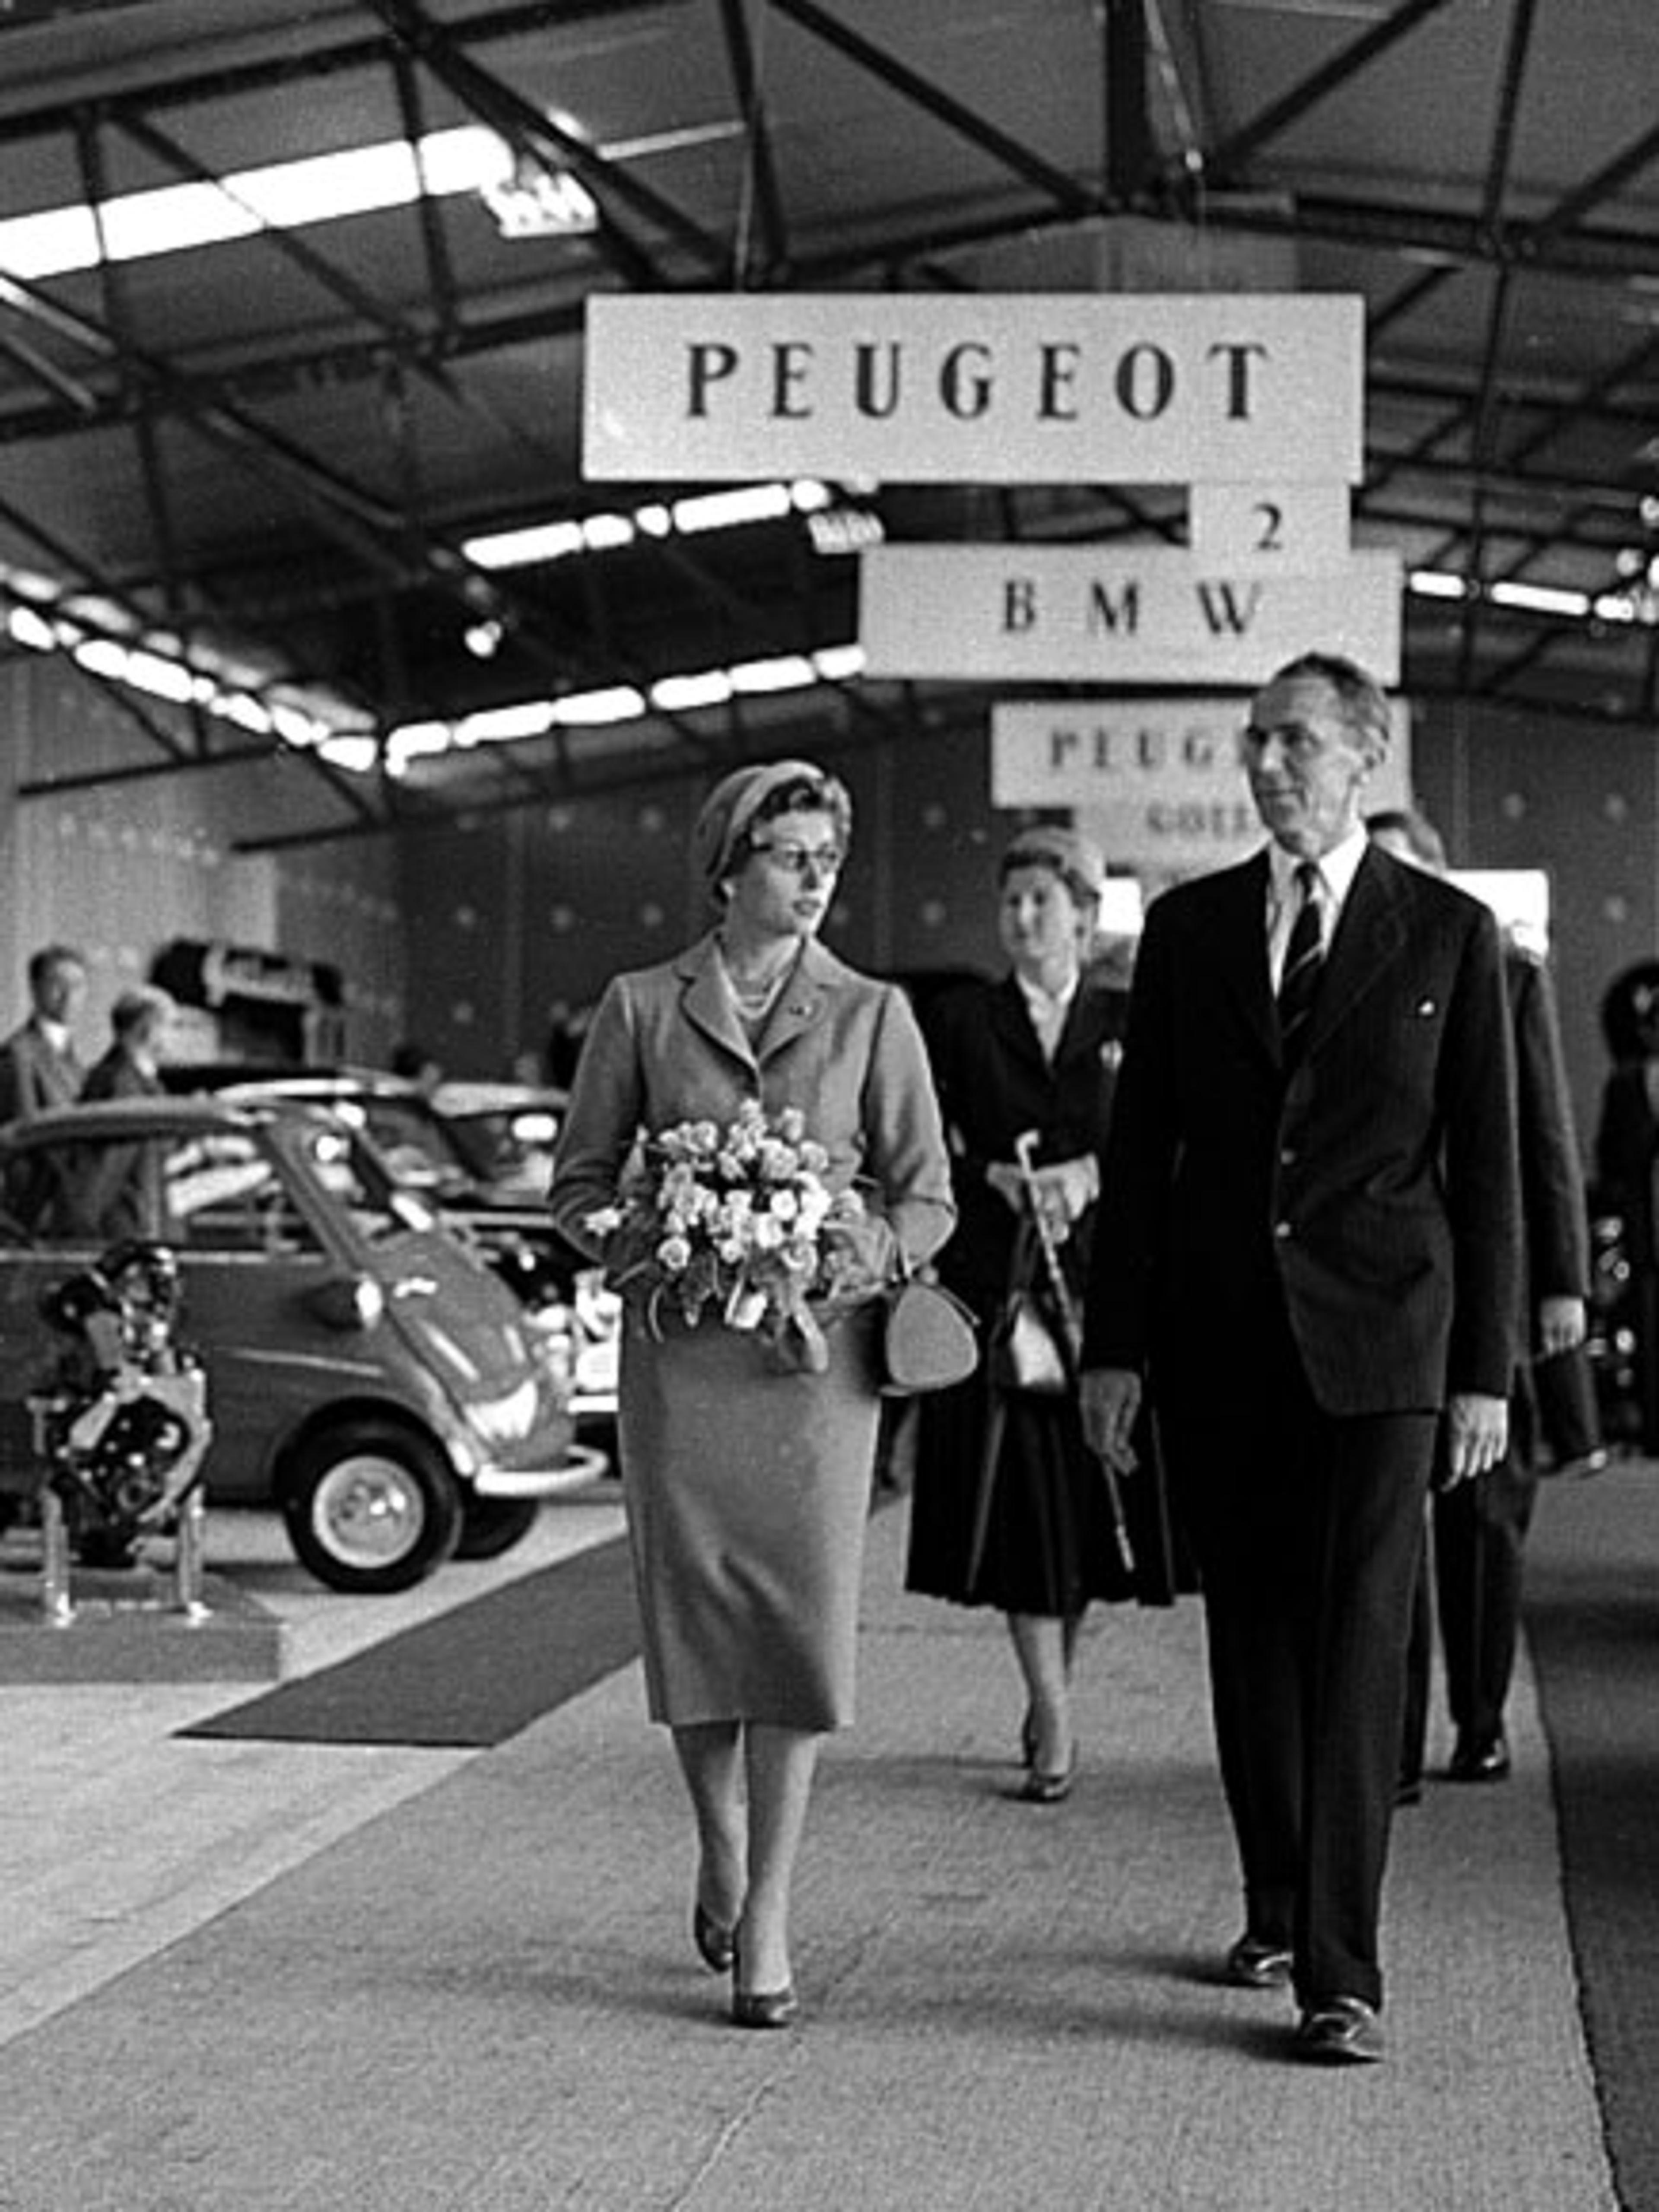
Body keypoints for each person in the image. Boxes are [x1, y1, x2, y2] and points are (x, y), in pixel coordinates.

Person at [1080, 652, 1521, 2068]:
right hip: (1223, 1338)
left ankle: (1343, 1968)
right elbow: (1141, 1156)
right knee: (1253, 1632)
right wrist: (1114, 1350)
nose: (1269, 764)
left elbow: (1490, 1166)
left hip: (1389, 1346)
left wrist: (1486, 1372)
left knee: (1362, 1638)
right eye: (1256, 741)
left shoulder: (1449, 935)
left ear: (1364, 754)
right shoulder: (1190, 928)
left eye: (1298, 742)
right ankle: (1273, 1898)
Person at [547, 758, 955, 2030]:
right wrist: (660, 1236)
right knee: (696, 1617)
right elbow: (577, 1184)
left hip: (813, 1373)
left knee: (796, 1628)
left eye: (828, 856)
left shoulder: (874, 1012)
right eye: (791, 854)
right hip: (681, 1363)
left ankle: (769, 1901)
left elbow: (927, 1194)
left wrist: (847, 1250)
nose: (816, 876)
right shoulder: (639, 1006)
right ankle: (717, 1834)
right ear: (728, 868)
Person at [904, 825, 1178, 1804]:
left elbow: (1170, 1138)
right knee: (1022, 1511)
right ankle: (1054, 1711)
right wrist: (994, 1177)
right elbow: (922, 1142)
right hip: (1000, 1294)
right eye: (1011, 901)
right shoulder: (960, 1019)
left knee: (1085, 1512)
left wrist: (1091, 1173)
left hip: (1110, 1294)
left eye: (1042, 902)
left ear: (1085, 916)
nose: (1023, 918)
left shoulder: (1130, 1018)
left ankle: (1050, 1681)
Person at [1367, 806, 1600, 1797]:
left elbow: (1544, 1132)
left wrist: (1562, 1281)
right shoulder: (1338, 979)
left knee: (1484, 1517)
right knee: (1390, 1525)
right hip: (1386, 1295)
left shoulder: (1506, 973)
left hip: (1488, 1285)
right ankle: (1389, 1738)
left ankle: (1480, 1718)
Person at [75, 985, 177, 1239]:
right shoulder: (121, 1084)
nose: (173, 1036)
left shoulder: (134, 1080)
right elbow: (108, 1172)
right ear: (147, 1028)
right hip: (126, 1231)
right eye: (169, 1026)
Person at [0, 944, 89, 1125]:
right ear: (35, 987)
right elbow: (21, 1131)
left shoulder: (75, 1060)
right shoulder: (19, 1055)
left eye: (78, 985)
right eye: (58, 984)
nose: (69, 995)